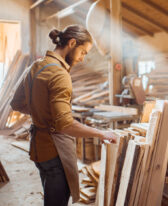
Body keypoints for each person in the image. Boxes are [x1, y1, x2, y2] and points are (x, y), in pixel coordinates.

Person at [10, 25, 117, 206]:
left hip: (38, 148)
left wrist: (41, 113)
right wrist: (101, 134)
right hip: (54, 152)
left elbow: (16, 103)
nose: (82, 58)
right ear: (72, 43)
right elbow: (65, 125)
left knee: (50, 197)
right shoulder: (59, 74)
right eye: (82, 52)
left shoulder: (35, 66)